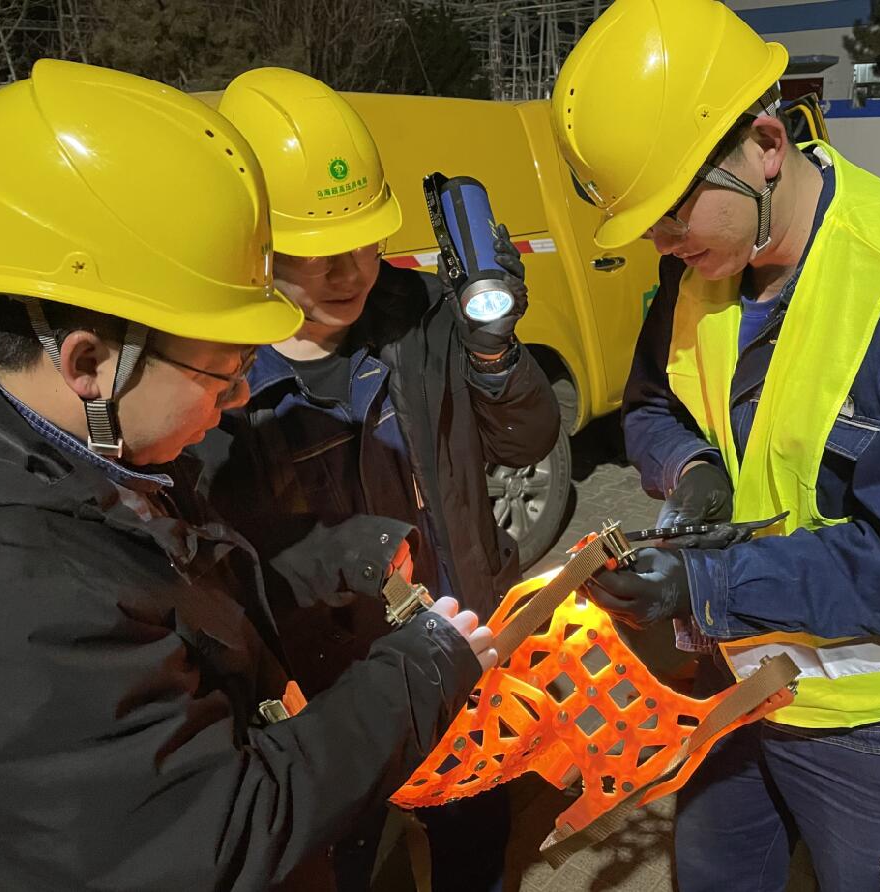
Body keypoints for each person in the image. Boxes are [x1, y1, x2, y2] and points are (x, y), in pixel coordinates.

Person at [0, 59, 495, 892]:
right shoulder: (19, 596)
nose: (243, 394)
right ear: (90, 362)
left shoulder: (85, 459)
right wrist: (421, 670)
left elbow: (180, 596)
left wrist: (343, 557)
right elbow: (221, 832)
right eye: (222, 369)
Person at [555, 1, 880, 889]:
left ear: (765, 146)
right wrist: (692, 468)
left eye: (672, 213)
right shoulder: (700, 269)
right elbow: (650, 406)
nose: (663, 243)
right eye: (645, 226)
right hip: (736, 678)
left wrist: (701, 585)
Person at [192, 68, 561, 890]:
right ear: (255, 244)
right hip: (323, 690)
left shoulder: (425, 315)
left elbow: (527, 438)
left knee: (473, 837)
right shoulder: (215, 373)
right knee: (343, 860)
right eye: (318, 254)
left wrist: (493, 346)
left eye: (364, 242)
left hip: (456, 641)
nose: (352, 272)